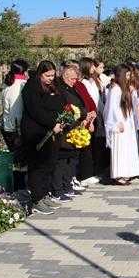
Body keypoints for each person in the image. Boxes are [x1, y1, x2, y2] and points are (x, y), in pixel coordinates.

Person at [20, 61, 65, 215]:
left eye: (53, 75)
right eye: (47, 75)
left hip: (53, 131)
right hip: (36, 133)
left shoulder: (53, 85)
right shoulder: (31, 87)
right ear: (40, 74)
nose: (51, 78)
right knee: (37, 166)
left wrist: (61, 120)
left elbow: (60, 102)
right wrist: (52, 123)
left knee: (49, 164)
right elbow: (36, 111)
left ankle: (44, 194)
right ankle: (36, 199)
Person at [52, 64, 91, 203]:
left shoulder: (71, 88)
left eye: (76, 79)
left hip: (75, 128)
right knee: (62, 161)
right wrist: (81, 115)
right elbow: (68, 107)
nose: (75, 81)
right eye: (73, 79)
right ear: (65, 76)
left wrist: (85, 115)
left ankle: (67, 185)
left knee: (71, 160)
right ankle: (59, 189)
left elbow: (79, 105)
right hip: (66, 130)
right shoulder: (61, 89)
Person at [104, 65, 139, 186]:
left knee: (126, 149)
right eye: (126, 75)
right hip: (119, 123)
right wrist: (116, 122)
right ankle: (118, 174)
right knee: (120, 149)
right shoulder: (115, 89)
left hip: (127, 121)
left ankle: (126, 172)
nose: (129, 77)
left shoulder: (123, 88)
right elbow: (111, 108)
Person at [0, 58, 29, 192]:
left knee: (18, 160)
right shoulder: (20, 85)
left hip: (8, 126)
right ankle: (20, 188)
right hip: (16, 128)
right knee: (20, 161)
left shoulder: (8, 84)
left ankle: (19, 186)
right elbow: (16, 111)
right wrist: (19, 131)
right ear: (25, 71)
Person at [80, 57, 108, 183]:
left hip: (98, 115)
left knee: (97, 144)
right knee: (91, 145)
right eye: (91, 66)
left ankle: (97, 170)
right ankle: (88, 173)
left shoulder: (94, 81)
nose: (94, 68)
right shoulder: (85, 82)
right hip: (92, 116)